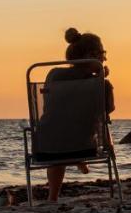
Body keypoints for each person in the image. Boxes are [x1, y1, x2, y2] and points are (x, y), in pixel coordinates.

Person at [41, 27, 114, 203]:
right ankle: (79, 159)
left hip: (48, 146)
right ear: (93, 55)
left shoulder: (54, 75)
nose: (104, 58)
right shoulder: (102, 85)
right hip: (85, 145)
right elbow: (107, 111)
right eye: (103, 53)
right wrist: (100, 79)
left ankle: (53, 196)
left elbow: (48, 108)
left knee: (59, 137)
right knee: (100, 123)